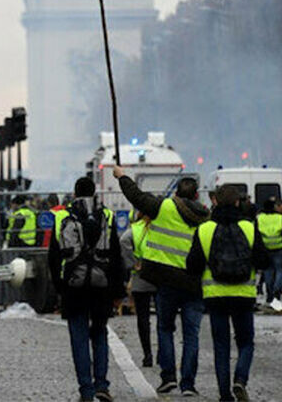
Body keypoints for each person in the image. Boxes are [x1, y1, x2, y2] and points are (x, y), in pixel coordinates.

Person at [113, 165, 209, 396]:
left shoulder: (164, 207)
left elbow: (136, 196)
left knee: (165, 328)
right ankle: (188, 383)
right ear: (196, 195)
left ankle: (168, 378)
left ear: (176, 193)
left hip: (166, 281)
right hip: (194, 283)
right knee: (191, 334)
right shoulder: (206, 218)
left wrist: (122, 176)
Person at [187, 185, 270, 402]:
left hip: (215, 296)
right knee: (246, 342)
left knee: (221, 346)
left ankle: (225, 395)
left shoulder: (204, 229)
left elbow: (193, 265)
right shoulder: (249, 227)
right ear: (237, 202)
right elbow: (264, 261)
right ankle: (240, 379)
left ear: (214, 202)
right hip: (243, 294)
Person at [48, 177, 125, 402]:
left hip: (74, 286)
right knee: (100, 334)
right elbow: (116, 255)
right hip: (101, 287)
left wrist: (59, 287)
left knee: (79, 338)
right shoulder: (107, 216)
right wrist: (118, 290)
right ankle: (102, 384)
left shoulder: (63, 216)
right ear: (94, 193)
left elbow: (54, 256)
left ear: (74, 193)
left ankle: (86, 390)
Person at [120, 210, 156, 368]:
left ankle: (147, 354)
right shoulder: (161, 227)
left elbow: (123, 241)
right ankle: (164, 353)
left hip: (140, 278)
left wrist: (133, 263)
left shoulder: (134, 230)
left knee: (143, 319)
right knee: (164, 320)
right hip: (161, 277)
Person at [256, 198, 282, 305]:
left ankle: (269, 292)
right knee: (279, 271)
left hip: (265, 248)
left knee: (268, 271)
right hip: (278, 246)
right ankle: (277, 289)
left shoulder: (260, 218)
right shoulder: (280, 217)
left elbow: (257, 232)